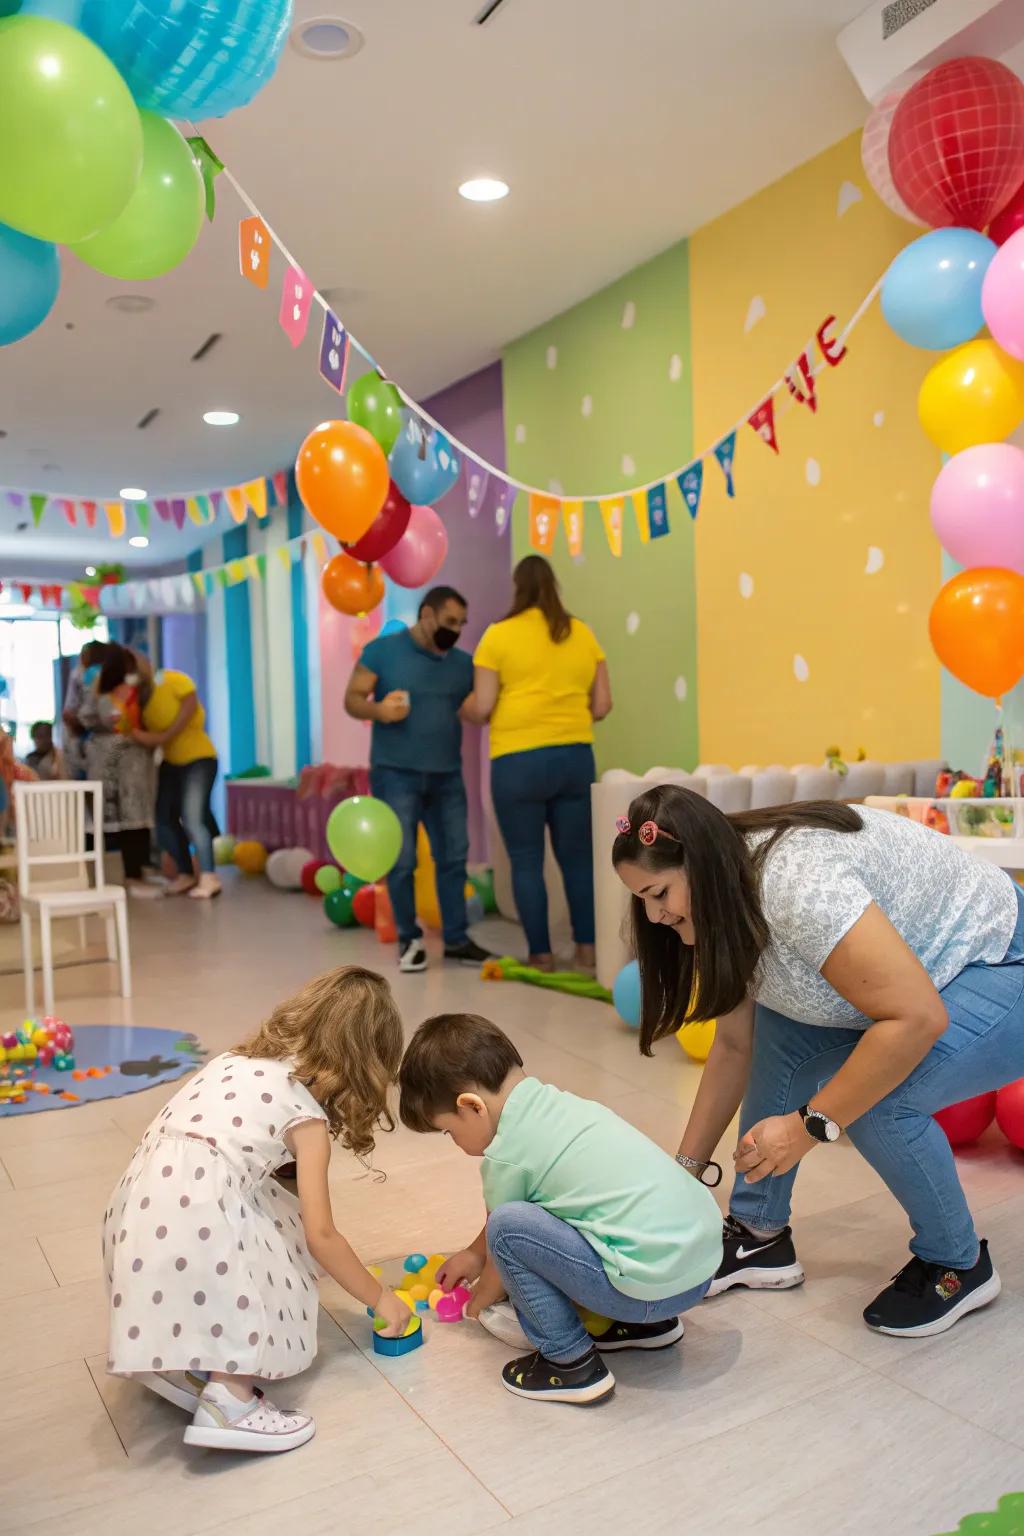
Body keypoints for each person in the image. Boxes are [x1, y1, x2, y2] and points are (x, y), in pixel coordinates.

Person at [612, 784, 1024, 1339]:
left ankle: (957, 1262)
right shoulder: (723, 900)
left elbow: (914, 1020)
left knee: (880, 1102)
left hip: (1001, 958)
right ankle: (759, 1236)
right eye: (642, 899)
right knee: (775, 1032)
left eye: (658, 892)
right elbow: (736, 1047)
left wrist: (809, 1126)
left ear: (700, 865)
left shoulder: (797, 884)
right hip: (923, 980)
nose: (654, 915)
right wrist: (682, 1177)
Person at [103, 965, 411, 1454]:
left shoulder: (233, 1062)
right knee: (278, 1241)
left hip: (135, 1205)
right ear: (368, 1061)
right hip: (197, 1212)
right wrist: (380, 1298)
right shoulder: (305, 1117)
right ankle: (231, 1399)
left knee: (256, 1211)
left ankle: (181, 1352)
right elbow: (322, 1236)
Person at [399, 1012, 722, 1404]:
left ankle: (569, 1363)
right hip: (700, 1271)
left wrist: (480, 1300)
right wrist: (472, 1253)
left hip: (649, 1289)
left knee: (508, 1226)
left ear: (472, 1107)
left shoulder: (506, 1156)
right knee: (545, 1215)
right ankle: (644, 1327)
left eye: (449, 1131)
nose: (454, 1141)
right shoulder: (563, 1109)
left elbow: (505, 1232)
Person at [468, 555, 610, 972]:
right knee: (578, 859)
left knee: (527, 860)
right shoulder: (581, 633)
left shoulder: (497, 636)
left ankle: (541, 956)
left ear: (518, 587)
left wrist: (466, 709)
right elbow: (601, 704)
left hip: (517, 761)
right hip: (573, 757)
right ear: (554, 586)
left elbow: (484, 705)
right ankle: (587, 951)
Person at [344, 586, 491, 974]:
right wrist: (380, 710)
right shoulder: (382, 651)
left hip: (447, 777)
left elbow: (480, 707)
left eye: (461, 624)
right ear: (426, 615)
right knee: (403, 860)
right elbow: (352, 699)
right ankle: (410, 939)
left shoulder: (462, 665)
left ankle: (457, 939)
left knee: (454, 858)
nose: (456, 630)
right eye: (449, 622)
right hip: (396, 774)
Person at [78, 644, 160, 899]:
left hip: (134, 761)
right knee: (110, 817)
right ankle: (100, 877)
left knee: (136, 816)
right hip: (110, 760)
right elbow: (102, 720)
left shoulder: (139, 691)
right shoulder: (102, 695)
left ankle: (136, 871)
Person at [133, 667, 221, 900]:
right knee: (163, 819)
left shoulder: (172, 679)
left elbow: (190, 705)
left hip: (199, 759)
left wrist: (163, 736)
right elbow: (143, 736)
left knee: (193, 818)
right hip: (171, 762)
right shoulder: (141, 704)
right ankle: (185, 873)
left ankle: (209, 876)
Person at [62, 639, 106, 780]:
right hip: (81, 728)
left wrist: (76, 719)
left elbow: (88, 706)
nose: (81, 658)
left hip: (90, 729)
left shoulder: (93, 673)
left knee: (86, 774)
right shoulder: (81, 672)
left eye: (85, 654)